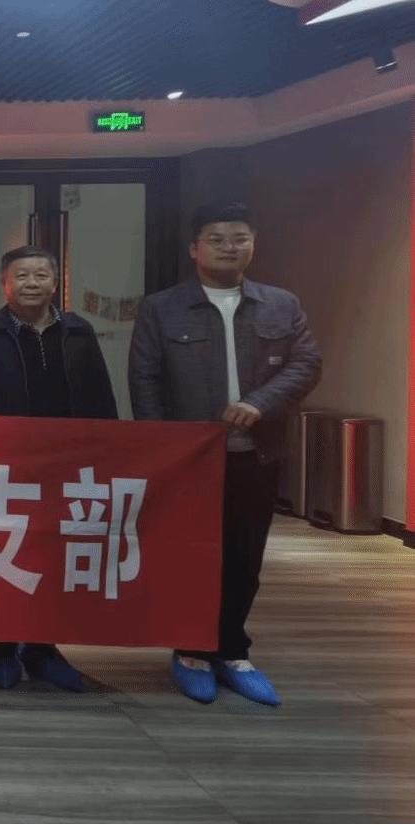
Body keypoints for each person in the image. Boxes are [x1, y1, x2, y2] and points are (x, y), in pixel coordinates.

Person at [129, 201, 321, 706]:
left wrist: (261, 402)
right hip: (190, 460)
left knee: (245, 557)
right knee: (191, 556)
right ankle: (191, 651)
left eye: (240, 238)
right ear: (194, 249)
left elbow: (306, 363)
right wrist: (163, 450)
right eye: (216, 239)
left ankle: (233, 650)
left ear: (253, 244)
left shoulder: (281, 304)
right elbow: (145, 380)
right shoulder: (162, 308)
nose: (229, 247)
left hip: (256, 455)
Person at [0, 244, 119, 693]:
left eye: (40, 275)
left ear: (55, 281)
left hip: (67, 468)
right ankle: (2, 646)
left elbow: (101, 397)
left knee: (55, 555)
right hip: (6, 470)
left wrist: (109, 454)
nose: (31, 283)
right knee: (7, 555)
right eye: (21, 276)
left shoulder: (79, 332)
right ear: (4, 284)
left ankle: (43, 647)